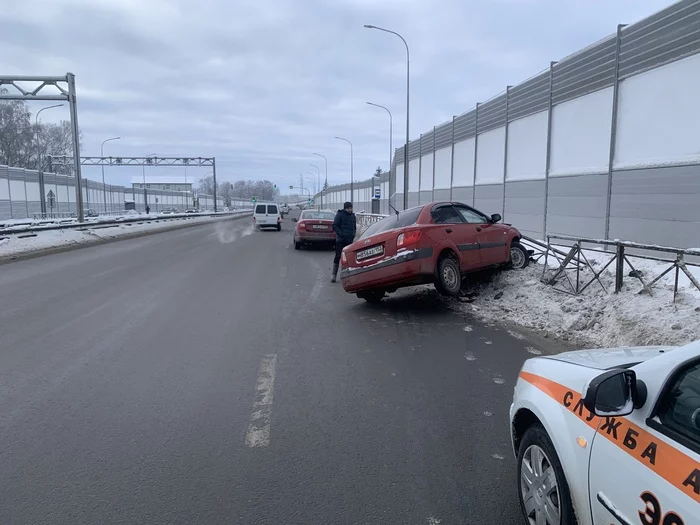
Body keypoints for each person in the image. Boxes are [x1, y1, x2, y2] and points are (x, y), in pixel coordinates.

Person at [331, 202, 356, 283]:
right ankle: (334, 275)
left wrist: (353, 235)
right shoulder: (340, 214)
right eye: (348, 208)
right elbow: (335, 225)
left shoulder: (353, 216)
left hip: (349, 240)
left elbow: (354, 227)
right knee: (338, 256)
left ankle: (347, 275)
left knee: (348, 258)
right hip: (340, 240)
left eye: (351, 208)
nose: (350, 209)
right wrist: (341, 234)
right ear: (345, 208)